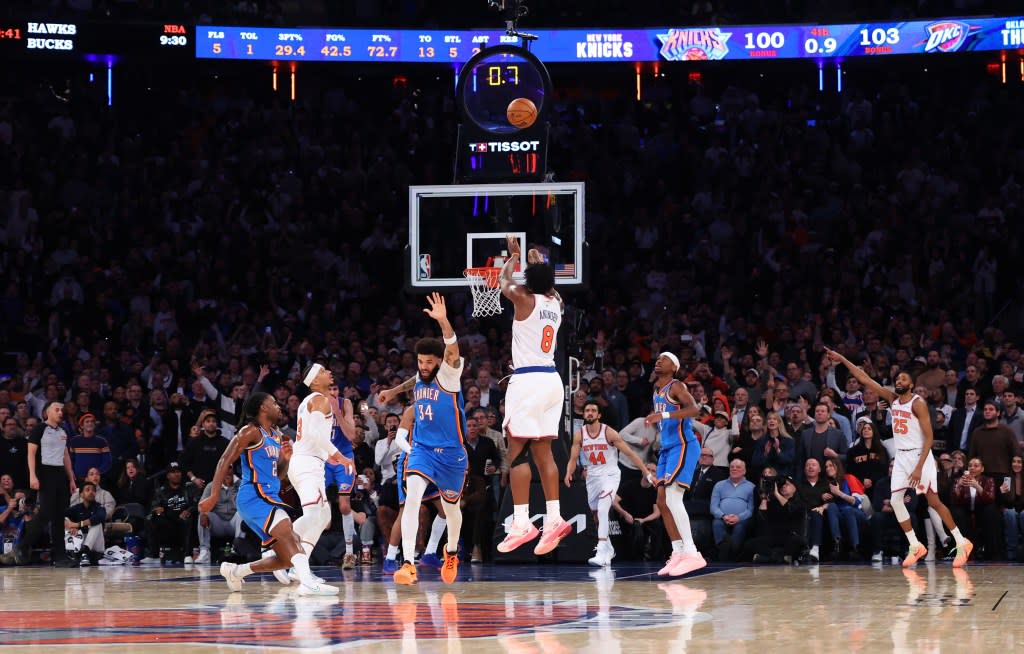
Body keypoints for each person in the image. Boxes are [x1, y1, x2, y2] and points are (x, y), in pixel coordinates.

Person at [827, 348, 972, 567]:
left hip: (919, 455)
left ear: (911, 385)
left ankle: (962, 542)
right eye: (897, 378)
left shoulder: (917, 403)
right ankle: (915, 545)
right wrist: (842, 360)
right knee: (896, 502)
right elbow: (863, 377)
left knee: (933, 501)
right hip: (902, 458)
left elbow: (929, 437)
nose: (899, 380)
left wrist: (918, 467)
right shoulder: (892, 399)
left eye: (903, 378)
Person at [198, 392, 337, 595]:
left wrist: (287, 459)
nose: (278, 406)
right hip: (253, 495)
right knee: (288, 531)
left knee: (285, 559)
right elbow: (224, 461)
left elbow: (279, 475)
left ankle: (236, 571)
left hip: (268, 496)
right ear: (263, 408)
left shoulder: (276, 435)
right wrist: (213, 495)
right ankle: (307, 581)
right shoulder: (250, 431)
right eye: (273, 403)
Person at [494, 235, 572, 556]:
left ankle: (522, 522)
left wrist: (513, 258)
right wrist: (535, 266)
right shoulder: (557, 303)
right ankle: (553, 518)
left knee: (516, 453)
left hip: (527, 381)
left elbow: (502, 282)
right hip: (553, 381)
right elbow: (548, 286)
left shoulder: (523, 300)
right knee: (544, 454)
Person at [387, 293, 467, 585]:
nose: (423, 366)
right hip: (422, 450)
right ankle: (408, 563)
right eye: (420, 361)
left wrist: (443, 320)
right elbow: (414, 379)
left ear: (439, 362)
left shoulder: (449, 374)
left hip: (451, 453)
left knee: (452, 509)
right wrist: (393, 393)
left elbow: (453, 350)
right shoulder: (421, 375)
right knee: (412, 501)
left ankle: (452, 550)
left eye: (428, 362)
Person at [287, 363, 355, 576]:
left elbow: (312, 436)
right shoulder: (320, 399)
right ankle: (273, 550)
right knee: (314, 516)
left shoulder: (311, 401)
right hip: (307, 464)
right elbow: (317, 435)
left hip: (310, 462)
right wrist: (340, 457)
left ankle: (299, 567)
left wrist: (328, 457)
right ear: (315, 381)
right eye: (324, 371)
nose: (329, 372)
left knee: (323, 517)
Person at [564, 401, 650, 566]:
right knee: (596, 516)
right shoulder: (579, 434)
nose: (589, 413)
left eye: (593, 411)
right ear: (584, 414)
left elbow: (630, 454)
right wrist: (569, 472)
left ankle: (602, 549)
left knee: (604, 508)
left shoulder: (609, 432)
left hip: (610, 474)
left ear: (599, 415)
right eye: (587, 410)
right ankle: (609, 548)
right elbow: (573, 458)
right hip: (593, 476)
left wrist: (645, 471)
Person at [644, 352, 706, 576]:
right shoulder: (656, 390)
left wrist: (664, 417)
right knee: (662, 501)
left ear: (674, 367)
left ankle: (692, 552)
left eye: (665, 358)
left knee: (673, 497)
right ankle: (678, 551)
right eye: (658, 357)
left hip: (684, 445)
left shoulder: (676, 386)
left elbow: (695, 409)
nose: (659, 360)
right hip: (667, 449)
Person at [20, 401, 78, 566]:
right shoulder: (39, 428)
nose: (60, 412)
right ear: (47, 412)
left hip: (60, 474)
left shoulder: (63, 430)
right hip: (45, 473)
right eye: (57, 409)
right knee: (45, 514)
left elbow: (65, 455)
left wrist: (71, 479)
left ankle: (59, 556)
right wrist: (33, 475)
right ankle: (23, 546)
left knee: (60, 516)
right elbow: (31, 453)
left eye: (62, 409)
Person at [325, 381, 359, 570]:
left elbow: (351, 435)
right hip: (324, 460)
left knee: (345, 505)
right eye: (329, 389)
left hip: (344, 460)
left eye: (335, 388)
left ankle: (349, 553)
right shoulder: (317, 405)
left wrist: (337, 412)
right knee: (318, 510)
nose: (332, 392)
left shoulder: (345, 403)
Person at [64, 480, 106, 565]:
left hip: (96, 545)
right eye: (87, 490)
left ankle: (85, 552)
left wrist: (78, 524)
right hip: (80, 539)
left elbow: (99, 517)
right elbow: (59, 516)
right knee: (65, 520)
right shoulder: (76, 508)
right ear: (81, 494)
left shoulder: (99, 507)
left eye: (93, 490)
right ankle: (72, 553)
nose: (91, 492)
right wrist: (70, 525)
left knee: (96, 524)